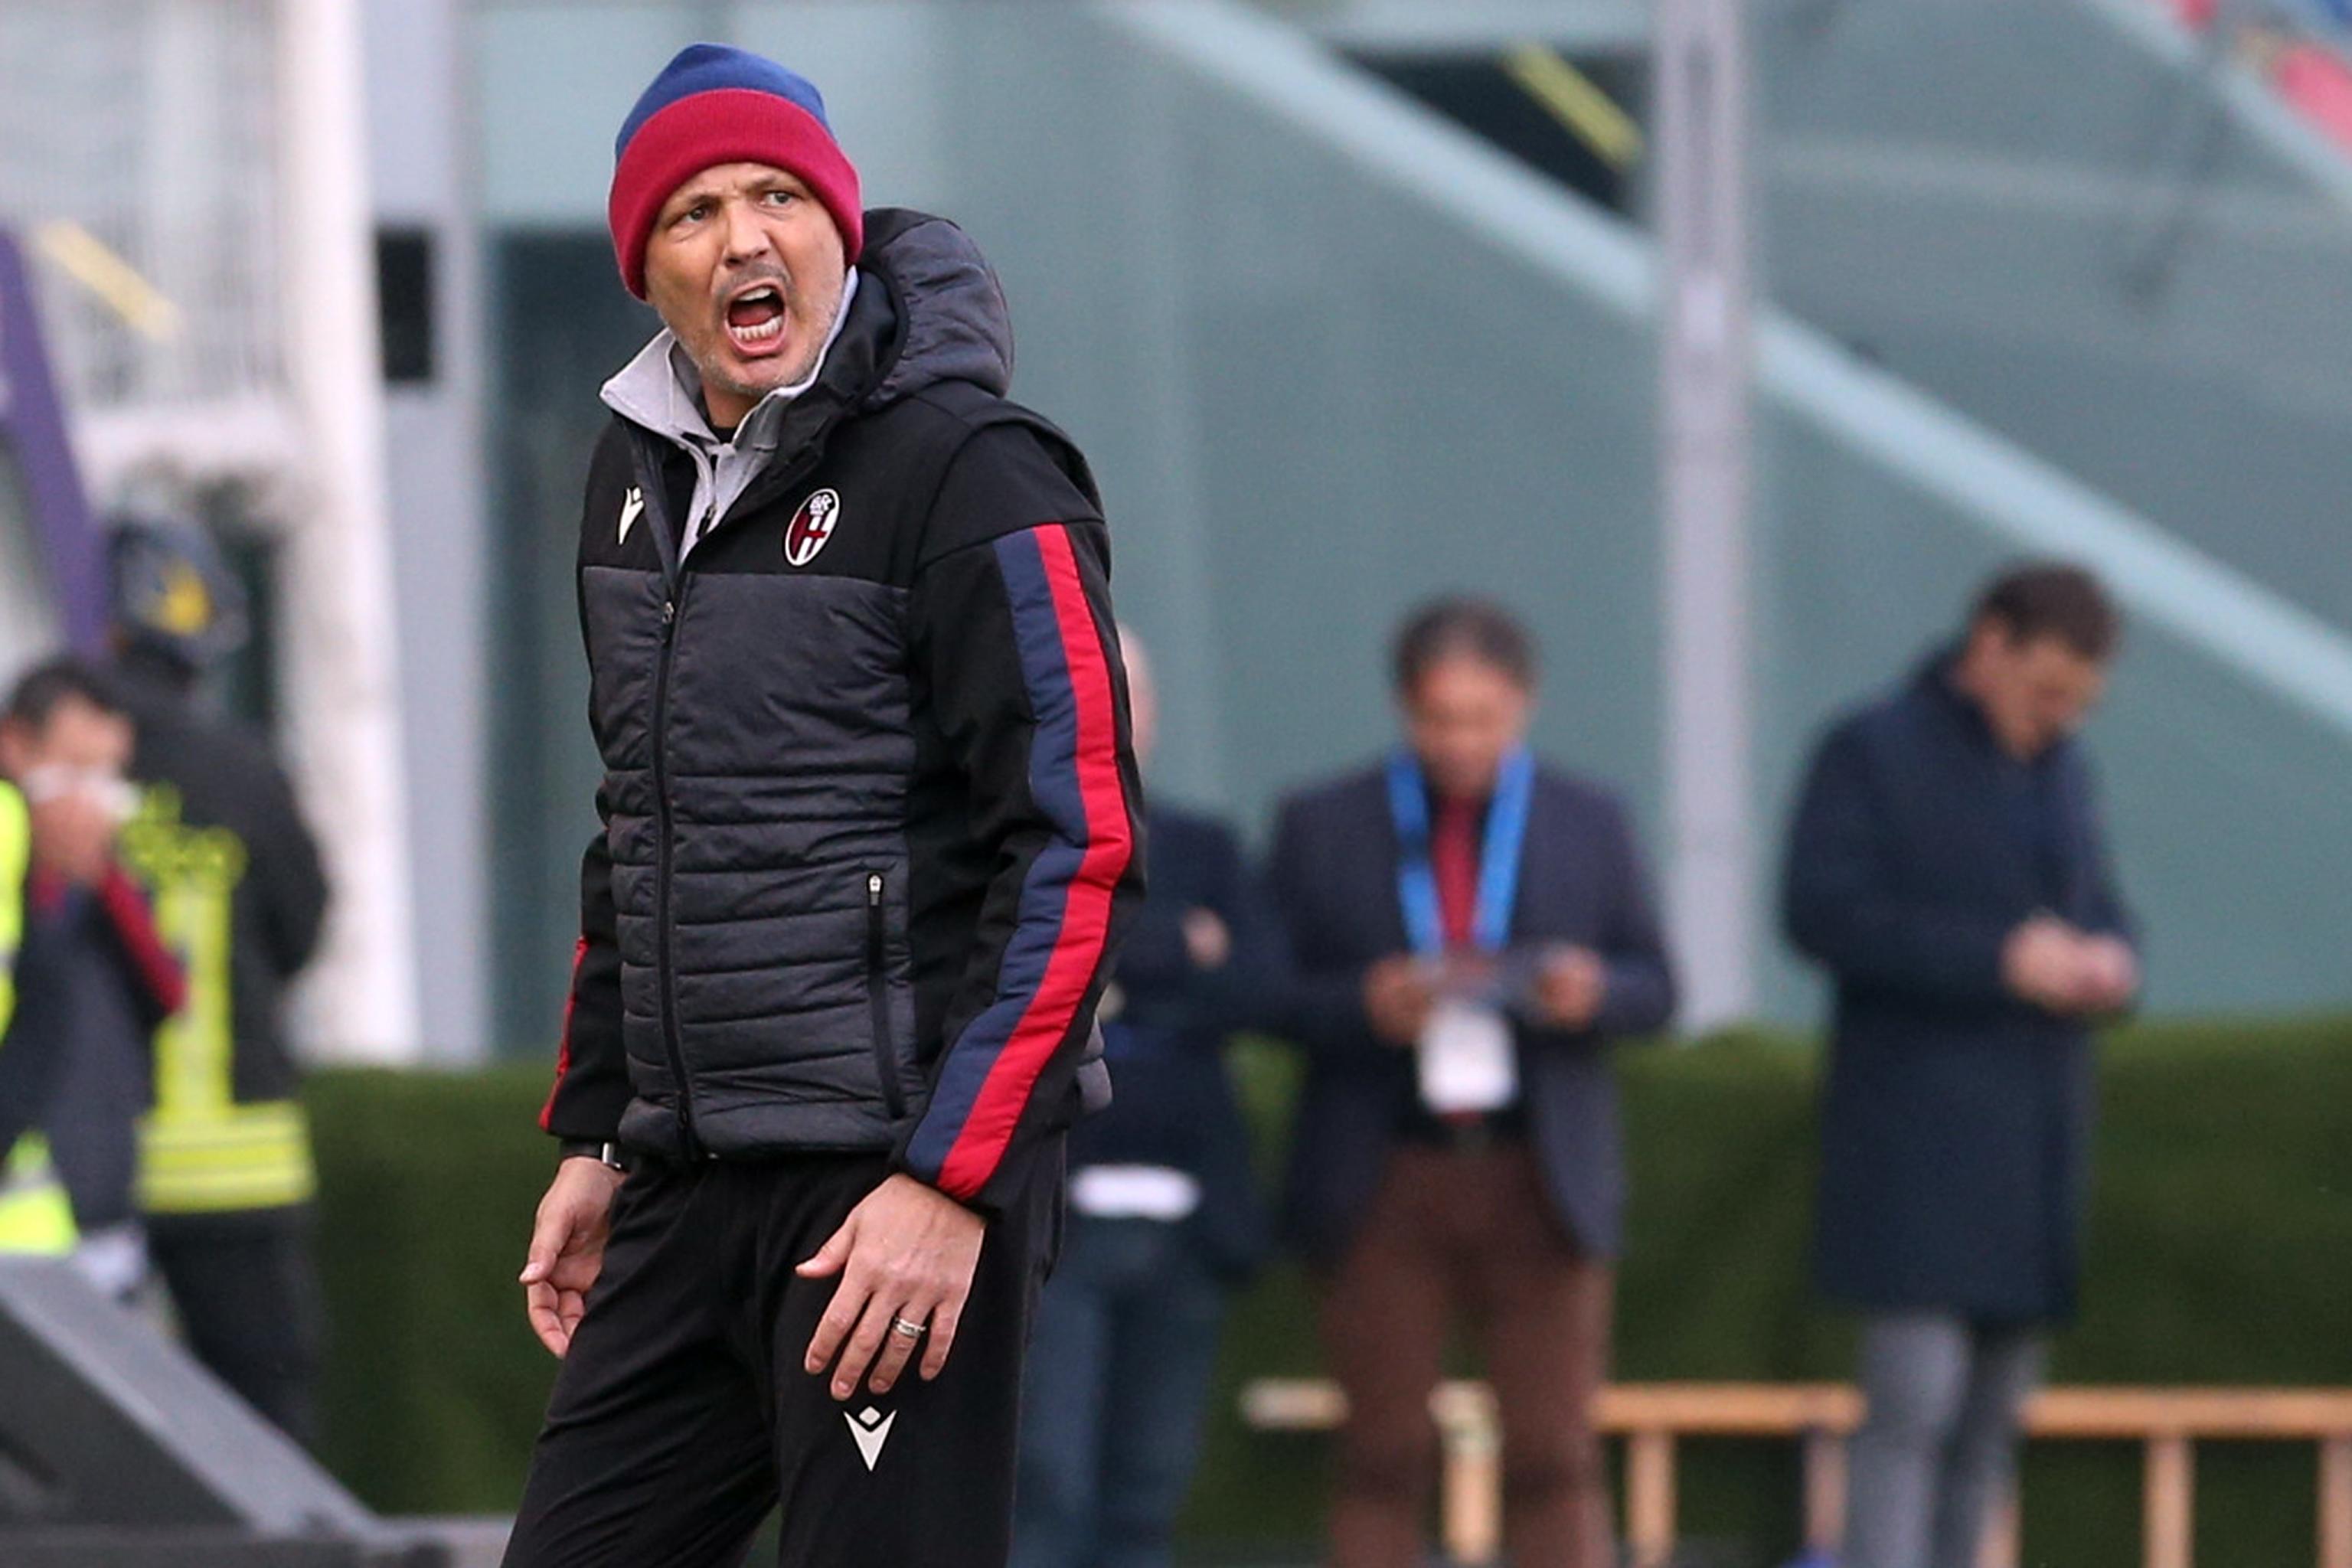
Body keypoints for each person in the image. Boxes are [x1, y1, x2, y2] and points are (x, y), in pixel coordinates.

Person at [504, 45, 1142, 1568]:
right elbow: (642, 828)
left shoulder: (978, 471)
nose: (744, 239)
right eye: (696, 211)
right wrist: (601, 1135)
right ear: (645, 268)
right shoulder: (627, 472)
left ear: (839, 229)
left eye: (780, 196)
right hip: (689, 1180)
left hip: (895, 1190)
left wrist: (950, 1183)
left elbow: (1081, 847)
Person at [1269, 597, 1677, 1568]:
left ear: (1523, 705)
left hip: (1538, 1169)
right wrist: (1364, 1003)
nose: (1460, 741)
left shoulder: (1589, 819)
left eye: (1482, 719)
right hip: (1384, 1170)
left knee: (1552, 1450)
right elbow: (1265, 993)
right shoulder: (1324, 821)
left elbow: (1658, 985)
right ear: (1406, 709)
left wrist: (1593, 993)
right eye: (1439, 718)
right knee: (1382, 1450)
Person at [1783, 564, 2138, 1568]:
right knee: (1910, 1412)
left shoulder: (2064, 774)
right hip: (1915, 1147)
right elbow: (1822, 912)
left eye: (2078, 701)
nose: (2057, 716)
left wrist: (2110, 959)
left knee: (1991, 1425)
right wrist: (1995, 960)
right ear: (1989, 646)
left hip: (2033, 1150)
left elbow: (2101, 902)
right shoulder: (1872, 752)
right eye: (2044, 690)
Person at [1011, 636, 1279, 1568]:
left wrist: (1119, 962)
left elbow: (1261, 985)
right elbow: (1034, 976)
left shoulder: (1204, 845)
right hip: (1055, 1221)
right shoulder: (1019, 846)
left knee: (1148, 1489)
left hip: (1187, 1222)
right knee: (1046, 1480)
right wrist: (1174, 948)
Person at [106, 518, 333, 1441]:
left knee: (91, 1432)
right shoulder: (241, 768)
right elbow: (304, 921)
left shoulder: (58, 771)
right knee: (264, 1422)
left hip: (85, 1168)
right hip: (240, 1160)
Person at [0, 658, 185, 1289]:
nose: (95, 802)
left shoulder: (108, 885)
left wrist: (98, 879)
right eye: (76, 772)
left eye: (110, 776)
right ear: (17, 749)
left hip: (95, 1207)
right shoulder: (16, 864)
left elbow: (168, 990)